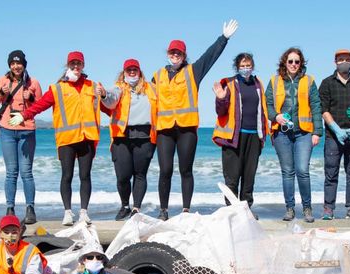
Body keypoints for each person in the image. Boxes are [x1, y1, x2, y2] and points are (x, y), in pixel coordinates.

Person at [152, 20, 240, 220]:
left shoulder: (193, 71)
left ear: (184, 56)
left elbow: (210, 56)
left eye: (179, 53)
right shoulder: (157, 76)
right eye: (172, 52)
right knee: (165, 170)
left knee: (185, 170)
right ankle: (163, 210)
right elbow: (146, 99)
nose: (175, 55)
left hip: (187, 129)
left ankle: (185, 210)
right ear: (168, 54)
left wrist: (223, 38)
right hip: (165, 129)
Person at [16, 52, 116, 227]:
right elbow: (39, 106)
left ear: (83, 65)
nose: (76, 67)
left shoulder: (93, 86)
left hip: (87, 137)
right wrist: (23, 115)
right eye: (73, 64)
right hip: (66, 139)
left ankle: (84, 212)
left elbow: (109, 110)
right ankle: (68, 212)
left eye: (79, 64)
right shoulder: (57, 88)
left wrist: (105, 95)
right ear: (68, 66)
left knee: (85, 176)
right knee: (67, 176)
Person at [0, 50, 42, 225]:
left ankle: (30, 209)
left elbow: (40, 106)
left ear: (24, 64)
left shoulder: (33, 83)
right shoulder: (2, 81)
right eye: (13, 64)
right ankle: (10, 208)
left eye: (19, 63)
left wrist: (31, 97)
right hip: (7, 130)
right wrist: (2, 94)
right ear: (9, 65)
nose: (16, 66)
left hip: (27, 130)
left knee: (26, 172)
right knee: (11, 173)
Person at [267, 47, 322, 222]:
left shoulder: (309, 80)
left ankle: (307, 208)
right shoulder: (274, 81)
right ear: (285, 62)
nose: (293, 64)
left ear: (301, 63)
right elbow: (267, 104)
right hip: (281, 134)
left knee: (302, 171)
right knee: (287, 172)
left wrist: (317, 132)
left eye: (297, 61)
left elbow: (316, 106)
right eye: (290, 61)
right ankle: (290, 208)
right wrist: (276, 116)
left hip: (304, 133)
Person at [212, 52, 267, 213]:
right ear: (237, 67)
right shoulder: (229, 84)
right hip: (233, 138)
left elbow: (262, 110)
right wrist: (221, 98)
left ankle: (246, 211)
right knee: (232, 178)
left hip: (254, 136)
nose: (245, 68)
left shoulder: (258, 84)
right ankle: (231, 211)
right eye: (242, 66)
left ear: (253, 66)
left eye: (248, 65)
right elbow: (220, 111)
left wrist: (262, 136)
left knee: (249, 178)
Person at [318, 48, 350, 221]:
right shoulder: (327, 83)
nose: (344, 62)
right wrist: (336, 129)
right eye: (340, 59)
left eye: (347, 59)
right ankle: (328, 208)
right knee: (331, 173)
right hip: (334, 136)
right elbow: (323, 109)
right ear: (335, 62)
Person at [106, 59, 157, 221]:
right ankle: (125, 205)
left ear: (140, 72)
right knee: (123, 176)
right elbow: (110, 100)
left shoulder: (151, 88)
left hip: (145, 136)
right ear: (124, 73)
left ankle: (136, 208)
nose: (132, 72)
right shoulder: (118, 88)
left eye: (135, 69)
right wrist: (103, 95)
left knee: (140, 174)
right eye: (129, 70)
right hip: (122, 137)